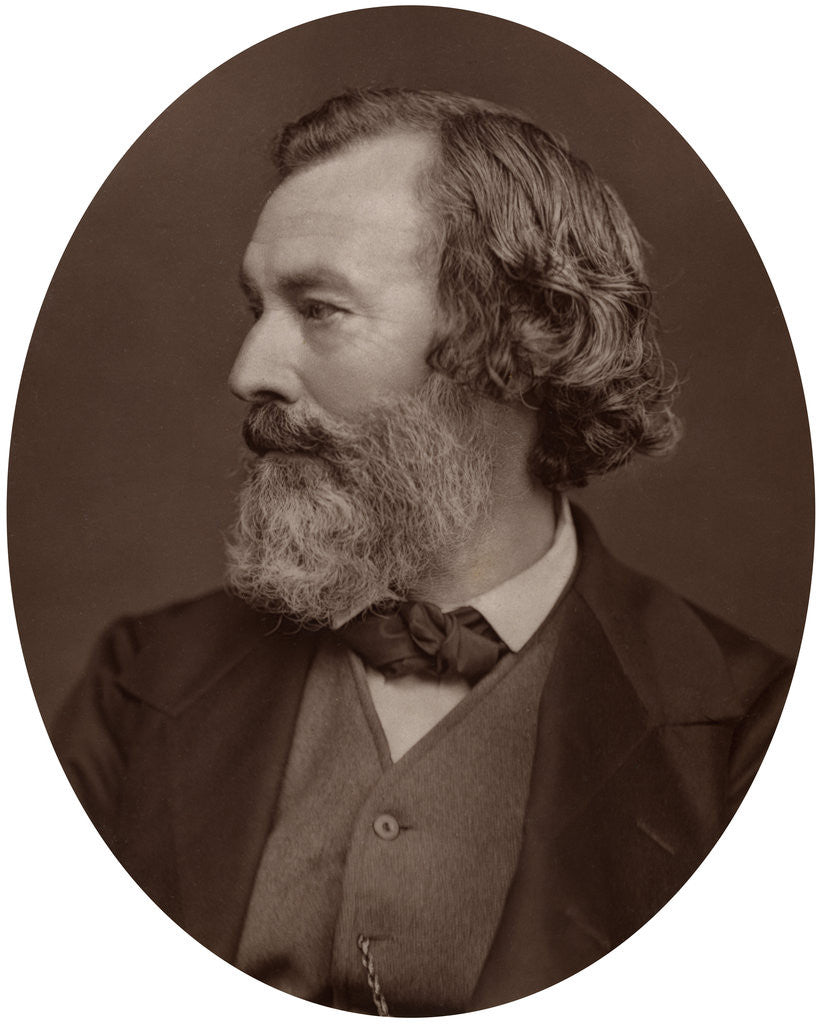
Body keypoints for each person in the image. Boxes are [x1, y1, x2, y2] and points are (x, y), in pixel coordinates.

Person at [53, 88, 791, 1016]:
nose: (248, 372)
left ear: (514, 338)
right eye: (256, 308)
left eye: (319, 309)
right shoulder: (141, 682)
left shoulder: (750, 738)